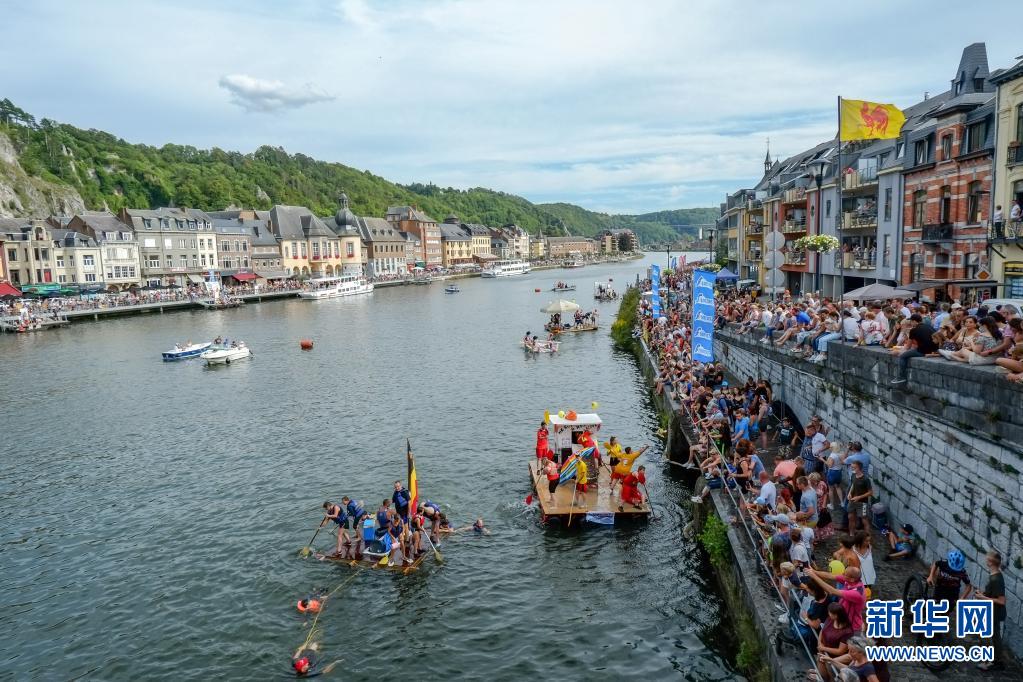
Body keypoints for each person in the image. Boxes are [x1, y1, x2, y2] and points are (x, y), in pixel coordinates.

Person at [974, 549, 1007, 671]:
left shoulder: (996, 579)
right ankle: (997, 661)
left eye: (987, 559)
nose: (985, 561)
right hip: (992, 611)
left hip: (993, 613)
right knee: (994, 636)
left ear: (990, 562)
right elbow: (994, 594)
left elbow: (1001, 601)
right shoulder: (995, 575)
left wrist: (982, 597)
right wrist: (983, 593)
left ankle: (988, 662)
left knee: (987, 637)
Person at [846, 461, 872, 534]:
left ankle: (867, 537)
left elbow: (870, 492)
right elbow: (853, 484)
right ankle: (851, 534)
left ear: (859, 468)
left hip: (862, 503)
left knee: (864, 520)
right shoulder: (853, 475)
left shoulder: (865, 479)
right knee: (850, 518)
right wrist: (849, 493)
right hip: (852, 501)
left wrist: (859, 497)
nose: (852, 469)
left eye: (854, 467)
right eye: (852, 467)